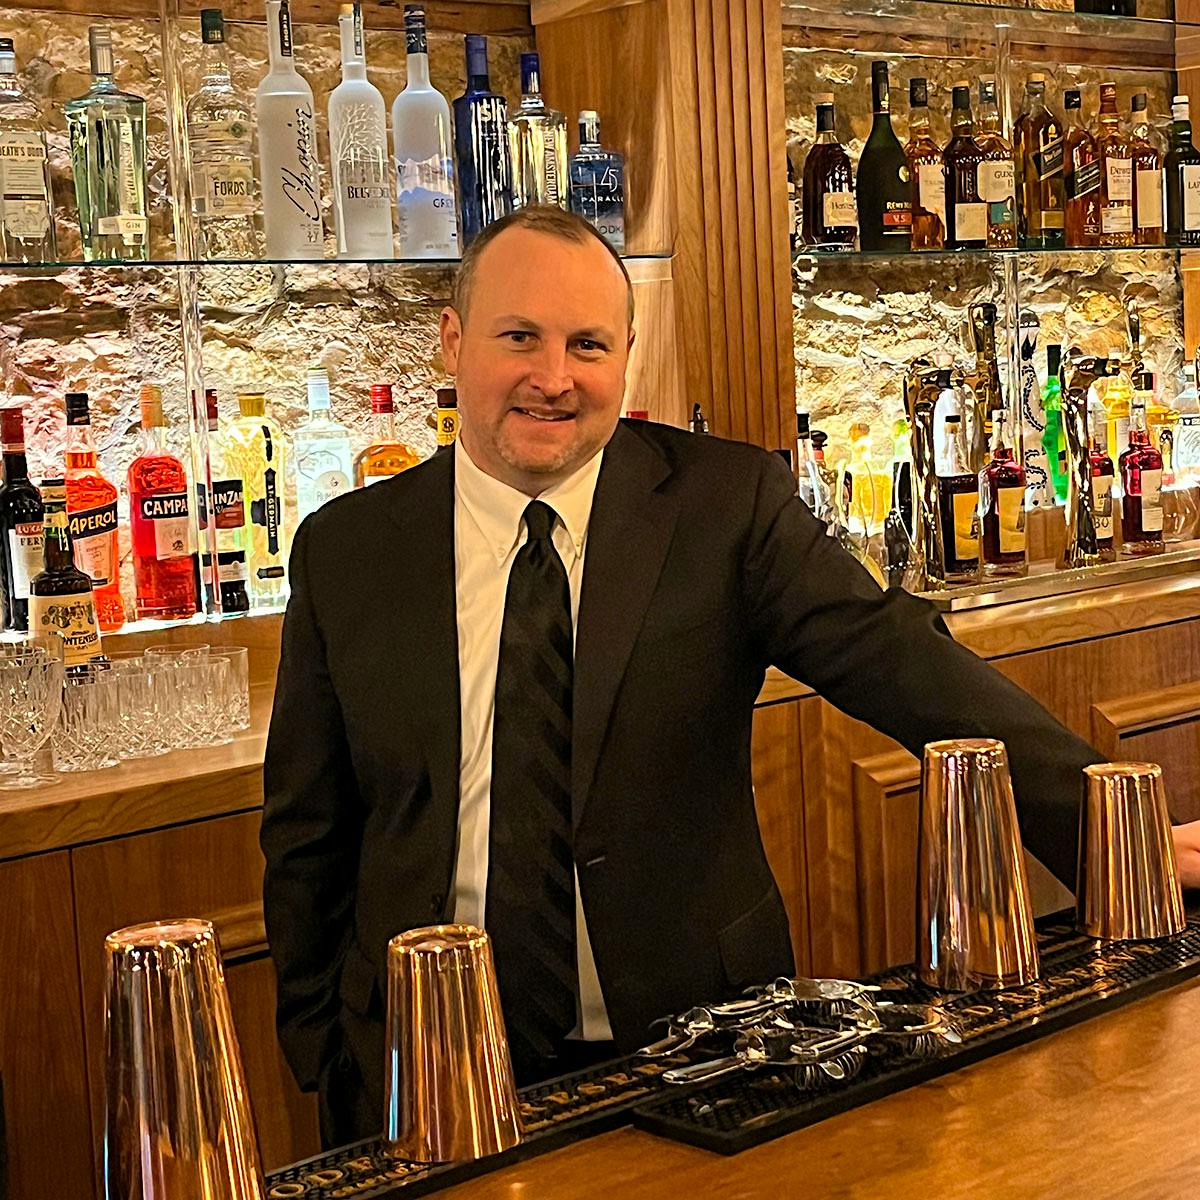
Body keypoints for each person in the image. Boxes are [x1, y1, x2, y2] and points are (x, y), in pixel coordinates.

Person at [262, 205, 1200, 1148]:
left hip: (699, 1052)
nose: (553, 378)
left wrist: (1119, 829)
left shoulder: (724, 507)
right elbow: (309, 826)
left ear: (627, 357)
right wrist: (322, 1050)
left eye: (588, 344)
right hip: (426, 1068)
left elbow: (906, 665)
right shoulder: (348, 551)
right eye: (519, 337)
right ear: (453, 340)